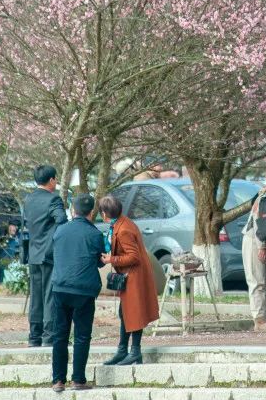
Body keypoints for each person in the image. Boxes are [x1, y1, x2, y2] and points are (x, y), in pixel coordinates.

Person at [48, 194, 105, 393]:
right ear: (91, 213)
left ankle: (58, 381)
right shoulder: (96, 235)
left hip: (61, 288)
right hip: (84, 290)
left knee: (59, 335)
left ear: (73, 211)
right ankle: (78, 380)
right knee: (82, 336)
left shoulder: (60, 230)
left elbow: (52, 253)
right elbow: (99, 261)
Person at [99, 194, 160, 365]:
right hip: (130, 275)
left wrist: (112, 259)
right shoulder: (121, 223)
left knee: (134, 313)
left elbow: (133, 257)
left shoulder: (124, 229)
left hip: (134, 276)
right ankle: (122, 350)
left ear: (105, 214)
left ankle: (135, 352)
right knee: (125, 313)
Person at [23, 165, 68, 347]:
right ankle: (49, 337)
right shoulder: (53, 200)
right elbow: (62, 220)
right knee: (49, 295)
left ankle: (34, 336)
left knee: (36, 296)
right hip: (49, 253)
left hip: (33, 254)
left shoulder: (28, 199)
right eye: (55, 179)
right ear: (51, 180)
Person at [242, 166, 266, 332]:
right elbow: (261, 222)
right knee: (257, 280)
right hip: (255, 239)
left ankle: (265, 317)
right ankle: (259, 320)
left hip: (263, 240)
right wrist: (263, 246)